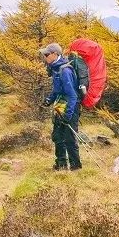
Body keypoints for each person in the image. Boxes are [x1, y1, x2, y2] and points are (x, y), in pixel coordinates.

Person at [40, 43, 82, 171]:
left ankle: (76, 168)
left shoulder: (65, 71)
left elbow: (73, 95)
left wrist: (68, 115)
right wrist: (49, 100)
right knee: (57, 136)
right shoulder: (55, 68)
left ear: (55, 54)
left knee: (69, 138)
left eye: (47, 54)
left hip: (70, 108)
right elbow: (57, 90)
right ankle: (61, 165)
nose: (45, 56)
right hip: (60, 106)